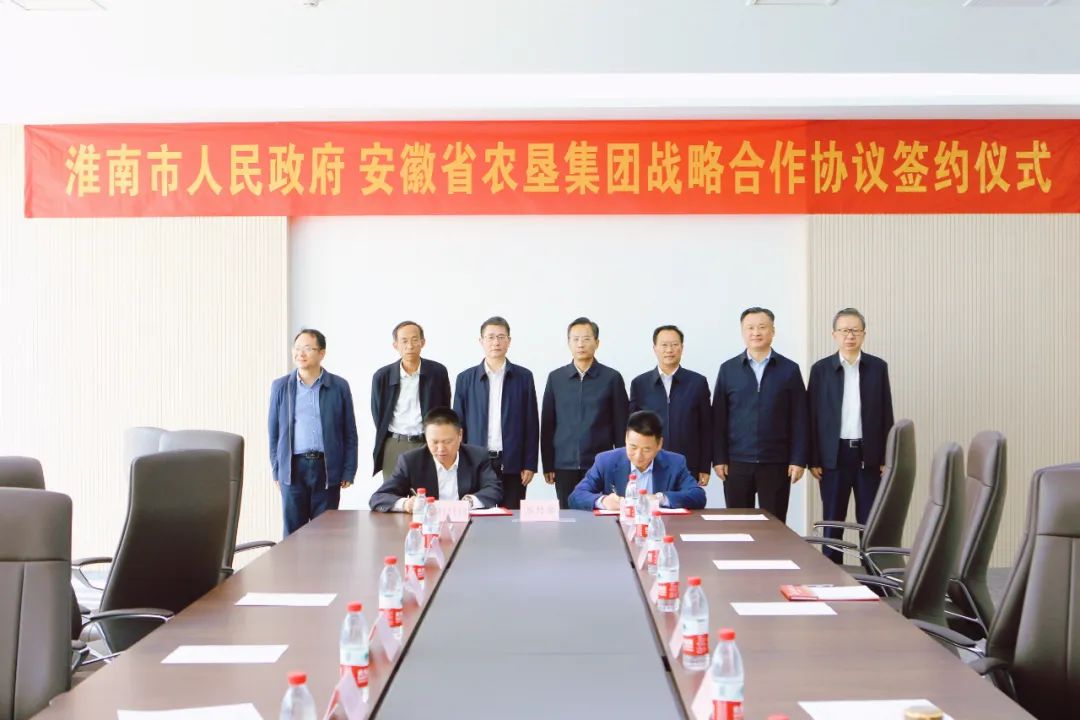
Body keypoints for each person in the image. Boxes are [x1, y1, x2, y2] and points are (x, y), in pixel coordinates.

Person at [807, 308, 895, 563]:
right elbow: (812, 416)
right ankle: (833, 573)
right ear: (834, 334)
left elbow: (886, 413)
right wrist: (813, 459)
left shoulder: (877, 367)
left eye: (855, 330)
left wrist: (886, 457)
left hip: (869, 456)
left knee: (869, 521)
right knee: (833, 520)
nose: (850, 336)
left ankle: (874, 575)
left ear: (864, 334)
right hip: (833, 456)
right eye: (844, 330)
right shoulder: (821, 369)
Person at [712, 307, 808, 523]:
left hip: (776, 461)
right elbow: (718, 419)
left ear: (773, 331)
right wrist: (719, 458)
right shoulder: (728, 369)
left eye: (762, 327)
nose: (756, 332)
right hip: (736, 462)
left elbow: (800, 418)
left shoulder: (789, 370)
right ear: (742, 332)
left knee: (774, 526)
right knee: (738, 526)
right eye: (750, 328)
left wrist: (798, 459)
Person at [268, 328, 358, 536]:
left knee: (326, 534)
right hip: (292, 469)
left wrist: (348, 470)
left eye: (308, 348)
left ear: (321, 353)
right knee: (293, 534)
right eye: (297, 348)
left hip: (327, 468)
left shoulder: (339, 386)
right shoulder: (281, 386)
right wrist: (277, 470)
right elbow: (273, 433)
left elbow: (349, 432)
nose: (300, 353)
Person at [541, 317, 629, 509]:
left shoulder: (611, 378)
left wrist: (622, 465)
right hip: (564, 465)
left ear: (597, 343)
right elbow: (548, 424)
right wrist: (548, 464)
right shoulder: (556, 378)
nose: (580, 344)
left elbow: (621, 425)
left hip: (601, 464)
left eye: (586, 339)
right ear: (568, 343)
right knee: (567, 516)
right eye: (575, 339)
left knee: (600, 513)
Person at [453, 316, 539, 509]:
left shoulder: (524, 377)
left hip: (513, 462)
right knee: (477, 514)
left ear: (509, 341)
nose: (496, 342)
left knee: (512, 515)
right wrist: (460, 461)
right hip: (476, 461)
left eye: (501, 337)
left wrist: (529, 463)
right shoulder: (465, 379)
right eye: (490, 337)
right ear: (481, 341)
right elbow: (458, 425)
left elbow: (531, 423)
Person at [369, 407, 502, 512]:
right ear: (426, 437)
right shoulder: (411, 461)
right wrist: (406, 504)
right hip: (428, 527)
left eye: (447, 442)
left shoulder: (477, 456)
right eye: (434, 442)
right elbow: (378, 497)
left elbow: (494, 489)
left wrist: (469, 502)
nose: (441, 449)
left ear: (460, 435)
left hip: (469, 526)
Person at [569, 410, 706, 510]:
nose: (638, 456)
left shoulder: (675, 463)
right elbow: (576, 496)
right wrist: (603, 501)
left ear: (659, 444)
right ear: (626, 439)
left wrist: (660, 498)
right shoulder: (606, 461)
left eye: (646, 449)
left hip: (659, 528)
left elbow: (698, 496)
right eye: (633, 447)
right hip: (618, 530)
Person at [629, 325, 712, 487]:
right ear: (655, 348)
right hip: (650, 462)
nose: (669, 350)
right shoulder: (640, 384)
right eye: (664, 345)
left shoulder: (697, 382)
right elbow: (633, 429)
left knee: (686, 502)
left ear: (682, 347)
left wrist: (704, 466)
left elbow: (707, 427)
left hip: (689, 463)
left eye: (674, 344)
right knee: (651, 502)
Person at [370, 320, 452, 480]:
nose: (410, 346)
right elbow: (378, 414)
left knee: (429, 489)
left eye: (415, 340)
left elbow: (445, 409)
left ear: (423, 342)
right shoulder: (382, 376)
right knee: (394, 492)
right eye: (404, 341)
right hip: (394, 444)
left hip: (428, 443)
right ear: (395, 345)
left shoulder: (437, 372)